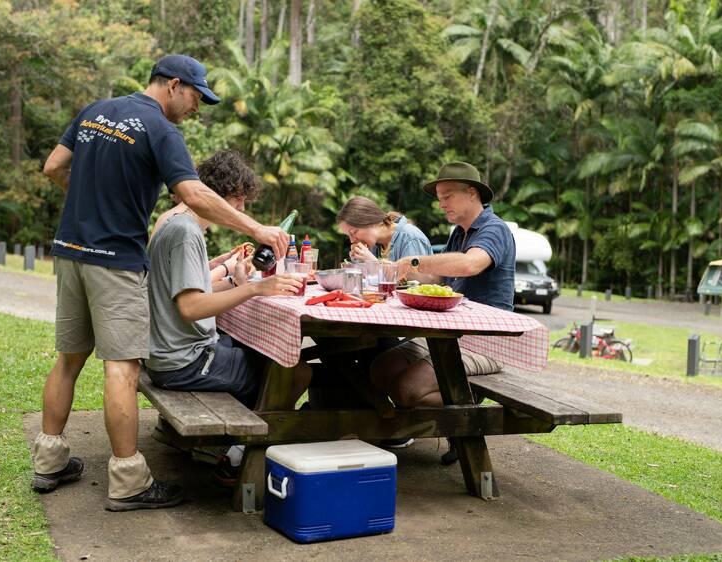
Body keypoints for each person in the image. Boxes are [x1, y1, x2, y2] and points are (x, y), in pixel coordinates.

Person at [33, 54, 289, 512]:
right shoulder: (160, 129)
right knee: (123, 368)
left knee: (69, 360)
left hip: (70, 252)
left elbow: (53, 167)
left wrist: (90, 203)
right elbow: (191, 193)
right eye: (195, 97)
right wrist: (256, 229)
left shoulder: (95, 111)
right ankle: (129, 479)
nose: (197, 109)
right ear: (173, 85)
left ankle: (49, 459)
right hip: (114, 261)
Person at [369, 162, 515, 460]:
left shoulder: (493, 229)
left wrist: (413, 262)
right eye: (439, 197)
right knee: (379, 370)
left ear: (472, 193)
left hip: (486, 338)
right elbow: (437, 279)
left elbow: (470, 264)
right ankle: (453, 413)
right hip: (448, 332)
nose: (441, 203)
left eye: (447, 195)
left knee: (408, 389)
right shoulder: (458, 234)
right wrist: (401, 273)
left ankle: (467, 418)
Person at [146, 149, 311, 405]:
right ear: (215, 193)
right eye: (238, 198)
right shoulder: (185, 232)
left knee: (263, 351)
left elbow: (192, 295)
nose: (241, 208)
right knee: (295, 372)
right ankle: (249, 443)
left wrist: (235, 280)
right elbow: (190, 308)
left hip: (174, 355)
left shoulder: (177, 223)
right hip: (185, 362)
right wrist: (257, 289)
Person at [337, 196, 432, 262]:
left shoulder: (410, 237)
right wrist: (358, 260)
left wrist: (372, 262)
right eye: (348, 236)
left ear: (369, 221)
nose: (352, 240)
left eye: (354, 232)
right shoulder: (375, 244)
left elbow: (416, 283)